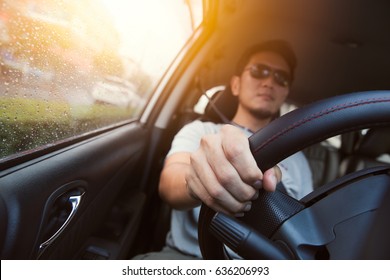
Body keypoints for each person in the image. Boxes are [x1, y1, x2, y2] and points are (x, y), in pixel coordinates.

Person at [134, 40, 313, 260]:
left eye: (280, 78)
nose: (269, 82)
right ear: (236, 85)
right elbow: (170, 182)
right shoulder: (201, 131)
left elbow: (305, 224)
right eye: (259, 71)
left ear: (285, 92)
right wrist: (196, 181)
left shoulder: (298, 157)